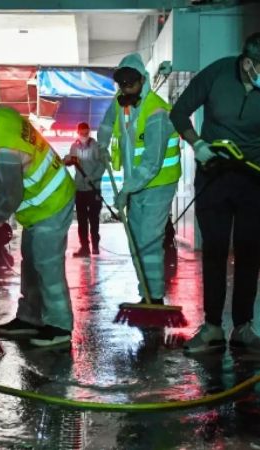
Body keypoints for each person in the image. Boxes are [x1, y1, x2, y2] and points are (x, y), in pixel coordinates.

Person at [169, 32, 260, 355]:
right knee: (214, 250)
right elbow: (179, 112)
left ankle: (243, 327)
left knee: (249, 253)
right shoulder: (216, 75)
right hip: (215, 175)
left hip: (257, 179)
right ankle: (213, 326)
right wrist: (197, 144)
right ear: (248, 63)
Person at [0, 96, 76, 347]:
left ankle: (60, 326)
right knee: (31, 261)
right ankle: (30, 318)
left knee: (47, 266)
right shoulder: (2, 115)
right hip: (39, 206)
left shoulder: (0, 149)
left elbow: (12, 194)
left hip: (51, 202)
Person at [97, 53, 180, 306]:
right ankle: (144, 292)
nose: (126, 88)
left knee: (148, 240)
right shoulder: (120, 103)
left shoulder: (157, 112)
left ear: (143, 80)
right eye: (122, 83)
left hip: (158, 184)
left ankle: (154, 297)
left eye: (131, 83)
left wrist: (125, 191)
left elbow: (152, 163)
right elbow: (107, 123)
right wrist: (102, 144)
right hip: (136, 185)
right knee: (135, 238)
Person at [64, 122, 106, 257]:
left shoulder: (96, 147)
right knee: (82, 220)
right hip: (80, 189)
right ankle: (84, 248)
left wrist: (93, 178)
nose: (83, 136)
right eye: (81, 134)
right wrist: (67, 160)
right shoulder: (74, 146)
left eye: (86, 133)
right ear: (77, 133)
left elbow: (102, 165)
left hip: (93, 189)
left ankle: (95, 246)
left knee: (94, 218)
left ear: (89, 132)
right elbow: (71, 160)